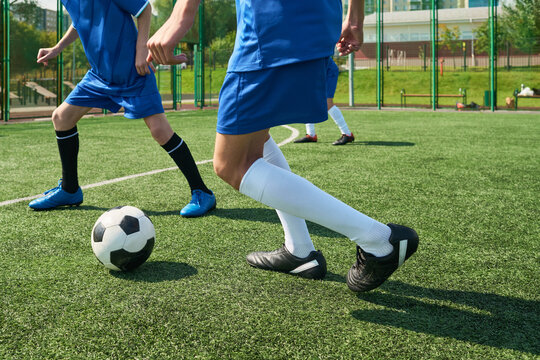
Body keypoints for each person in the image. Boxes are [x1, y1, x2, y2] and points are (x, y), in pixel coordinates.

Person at [147, 0, 418, 292]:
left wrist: (181, 14)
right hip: (316, 21)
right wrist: (354, 18)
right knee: (257, 138)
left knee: (231, 165)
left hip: (270, 25)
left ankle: (380, 241)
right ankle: (299, 250)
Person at [29, 0, 216, 218]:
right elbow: (81, 20)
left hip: (134, 72)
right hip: (99, 75)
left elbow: (145, 9)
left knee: (160, 131)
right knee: (61, 117)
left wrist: (140, 51)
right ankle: (70, 189)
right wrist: (57, 47)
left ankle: (202, 192)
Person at [294, 58, 355, 146]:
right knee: (307, 101)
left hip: (327, 71)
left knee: (327, 103)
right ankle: (311, 135)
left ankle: (347, 134)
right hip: (315, 72)